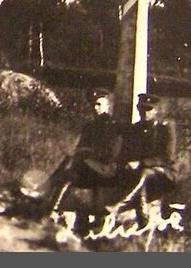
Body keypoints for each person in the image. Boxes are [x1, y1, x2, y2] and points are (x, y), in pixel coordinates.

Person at [23, 88, 123, 212]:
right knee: (68, 163)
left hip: (103, 169)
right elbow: (80, 147)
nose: (95, 108)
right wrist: (82, 153)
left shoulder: (112, 126)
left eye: (99, 104)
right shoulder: (90, 126)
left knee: (68, 174)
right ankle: (42, 200)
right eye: (93, 105)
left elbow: (110, 152)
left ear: (108, 105)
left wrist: (87, 154)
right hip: (87, 166)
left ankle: (50, 208)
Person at [107, 93, 176, 222]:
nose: (145, 113)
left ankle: (119, 205)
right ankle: (142, 217)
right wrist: (123, 163)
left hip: (162, 172)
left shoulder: (165, 128)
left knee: (143, 173)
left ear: (156, 110)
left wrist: (140, 163)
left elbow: (166, 157)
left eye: (149, 109)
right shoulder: (135, 129)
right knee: (122, 174)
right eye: (142, 109)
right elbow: (126, 151)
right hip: (137, 171)